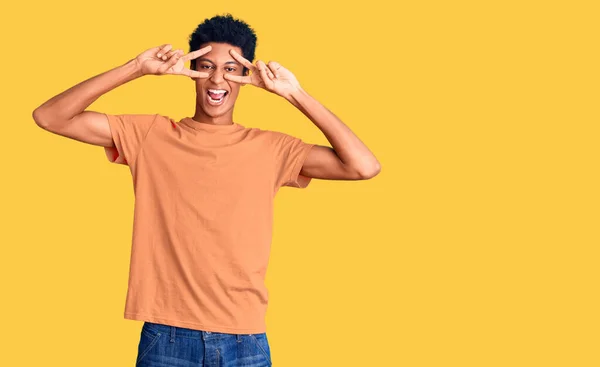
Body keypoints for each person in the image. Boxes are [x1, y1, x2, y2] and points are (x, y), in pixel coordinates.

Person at [32, 13, 380, 367]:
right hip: (167, 336)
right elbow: (50, 117)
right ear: (191, 69)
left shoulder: (272, 148)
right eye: (206, 66)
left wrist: (295, 94)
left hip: (245, 340)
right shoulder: (150, 136)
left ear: (247, 76)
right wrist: (136, 67)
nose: (217, 79)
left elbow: (363, 166)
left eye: (231, 68)